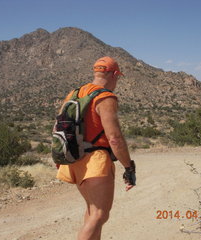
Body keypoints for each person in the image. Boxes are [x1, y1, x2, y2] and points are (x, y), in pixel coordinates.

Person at [56, 56, 136, 240]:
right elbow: (115, 138)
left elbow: (58, 127)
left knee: (92, 213)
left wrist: (59, 157)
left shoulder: (74, 94)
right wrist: (128, 167)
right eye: (118, 77)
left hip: (74, 159)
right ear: (114, 74)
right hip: (95, 161)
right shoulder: (105, 97)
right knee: (100, 214)